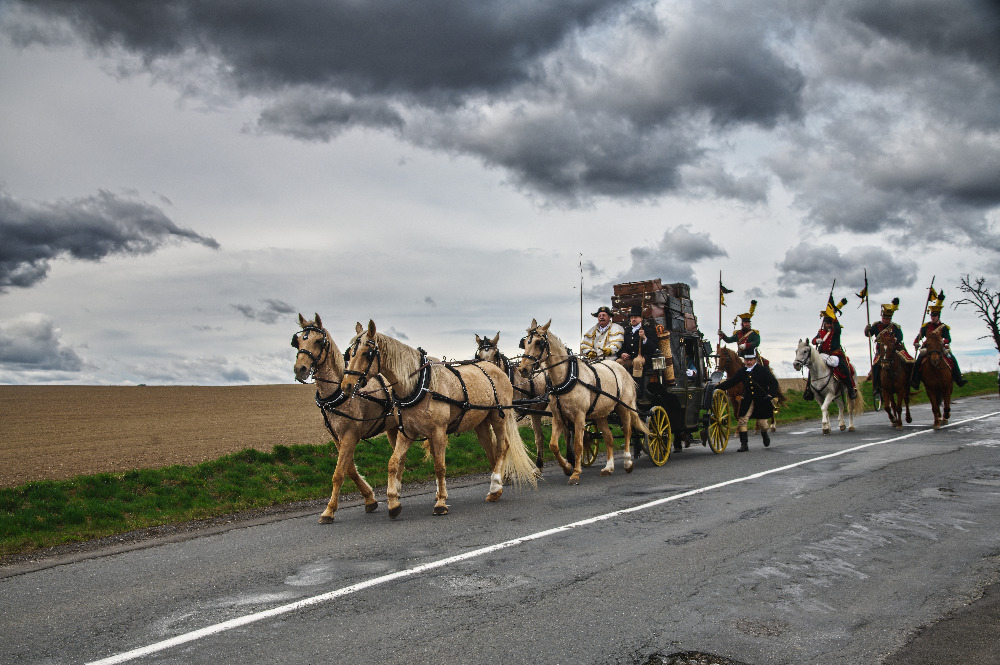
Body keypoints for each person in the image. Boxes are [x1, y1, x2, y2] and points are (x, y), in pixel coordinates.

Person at [714, 352, 779, 451]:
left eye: (750, 360)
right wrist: (717, 387)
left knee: (763, 424)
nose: (748, 362)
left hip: (762, 400)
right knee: (742, 421)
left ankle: (764, 434)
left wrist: (770, 394)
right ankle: (744, 445)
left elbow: (774, 383)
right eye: (746, 360)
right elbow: (731, 382)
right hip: (748, 399)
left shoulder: (763, 370)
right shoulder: (742, 371)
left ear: (755, 360)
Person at [911, 292, 967, 388]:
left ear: (938, 316)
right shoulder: (926, 326)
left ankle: (958, 379)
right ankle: (915, 381)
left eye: (935, 316)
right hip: (928, 348)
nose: (932, 318)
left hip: (940, 348)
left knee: (952, 358)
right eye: (932, 316)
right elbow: (919, 336)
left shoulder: (943, 327)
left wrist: (943, 342)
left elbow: (948, 338)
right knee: (918, 361)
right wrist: (916, 342)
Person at [864, 297, 913, 401]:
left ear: (890, 318)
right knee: (876, 366)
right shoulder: (876, 326)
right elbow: (869, 334)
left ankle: (911, 381)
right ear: (882, 317)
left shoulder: (895, 327)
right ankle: (877, 388)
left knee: (909, 361)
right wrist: (867, 330)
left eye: (888, 318)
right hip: (881, 351)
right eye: (884, 318)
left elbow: (900, 337)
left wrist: (894, 341)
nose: (886, 320)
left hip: (895, 349)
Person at [811, 299, 858, 399]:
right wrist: (816, 341)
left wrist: (833, 314)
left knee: (845, 369)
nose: (828, 325)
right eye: (827, 323)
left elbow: (836, 324)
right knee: (812, 368)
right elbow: (813, 340)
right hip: (823, 355)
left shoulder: (836, 330)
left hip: (836, 354)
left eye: (830, 323)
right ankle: (809, 390)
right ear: (824, 324)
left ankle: (851, 389)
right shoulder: (821, 332)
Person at [617, 305, 659, 374]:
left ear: (641, 319)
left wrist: (644, 338)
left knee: (637, 362)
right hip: (630, 358)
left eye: (635, 317)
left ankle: (637, 384)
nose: (633, 319)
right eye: (631, 318)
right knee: (619, 362)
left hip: (644, 358)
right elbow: (623, 346)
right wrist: (622, 354)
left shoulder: (648, 330)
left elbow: (654, 347)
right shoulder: (627, 331)